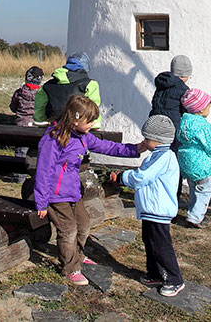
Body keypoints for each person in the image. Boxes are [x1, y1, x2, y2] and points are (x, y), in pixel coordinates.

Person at [33, 95, 142, 285]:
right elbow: (43, 170)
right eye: (89, 121)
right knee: (68, 231)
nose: (93, 124)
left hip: (73, 192)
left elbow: (106, 146)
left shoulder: (82, 137)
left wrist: (135, 150)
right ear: (75, 120)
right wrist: (41, 202)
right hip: (55, 195)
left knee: (83, 226)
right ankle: (70, 268)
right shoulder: (54, 138)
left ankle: (77, 255)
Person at [122, 114, 185, 297]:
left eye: (146, 138)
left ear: (157, 140)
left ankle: (174, 279)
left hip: (158, 210)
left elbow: (142, 177)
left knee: (161, 245)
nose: (144, 141)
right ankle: (156, 273)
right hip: (150, 210)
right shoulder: (157, 155)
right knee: (150, 242)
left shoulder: (164, 157)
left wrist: (123, 177)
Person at [176, 88, 211, 227]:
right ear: (201, 109)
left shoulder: (184, 121)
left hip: (187, 162)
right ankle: (195, 217)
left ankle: (193, 211)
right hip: (200, 164)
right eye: (208, 106)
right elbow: (210, 144)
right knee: (205, 190)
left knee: (193, 189)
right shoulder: (202, 125)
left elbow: (179, 137)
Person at [34, 52, 101, 125]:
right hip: (77, 129)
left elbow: (39, 112)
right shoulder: (90, 84)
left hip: (53, 128)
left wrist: (44, 125)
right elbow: (93, 109)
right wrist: (95, 127)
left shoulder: (46, 86)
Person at [9, 66, 44, 182]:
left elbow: (13, 107)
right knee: (36, 153)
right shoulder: (42, 94)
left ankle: (19, 177)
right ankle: (35, 175)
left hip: (21, 126)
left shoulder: (19, 92)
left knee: (21, 152)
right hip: (36, 127)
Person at [149, 55, 192, 130]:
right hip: (172, 126)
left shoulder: (162, 84)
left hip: (155, 123)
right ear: (186, 74)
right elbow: (185, 111)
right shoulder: (183, 89)